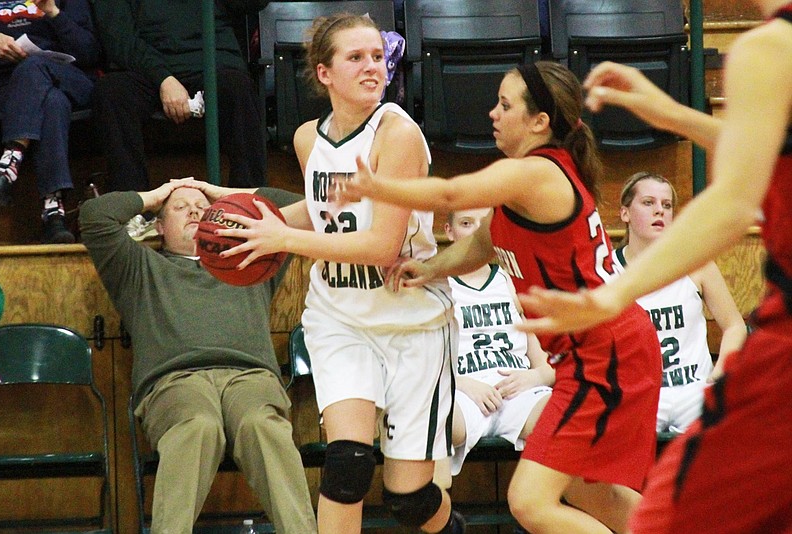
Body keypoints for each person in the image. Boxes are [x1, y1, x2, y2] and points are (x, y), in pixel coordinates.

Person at [329, 60, 663, 534]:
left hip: (608, 353)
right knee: (586, 488)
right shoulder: (528, 181)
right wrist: (428, 269)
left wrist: (376, 186)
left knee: (528, 501)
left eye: (505, 105)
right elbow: (483, 243)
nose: (493, 113)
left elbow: (450, 193)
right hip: (599, 353)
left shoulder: (536, 174)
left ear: (539, 122)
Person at [513, 1, 792, 531]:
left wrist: (610, 297)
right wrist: (671, 116)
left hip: (768, 356)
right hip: (666, 388)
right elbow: (767, 147)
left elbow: (732, 201)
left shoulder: (771, 47)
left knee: (666, 520)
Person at [213, 13, 464, 534]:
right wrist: (259, 224)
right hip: (340, 317)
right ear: (324, 73)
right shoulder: (309, 138)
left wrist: (283, 240)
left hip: (412, 323)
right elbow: (322, 208)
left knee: (409, 499)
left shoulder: (397, 134)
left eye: (377, 56)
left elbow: (380, 245)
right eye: (356, 58)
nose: (372, 67)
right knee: (347, 466)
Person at [78, 178, 317, 534]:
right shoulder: (137, 268)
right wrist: (156, 196)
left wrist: (228, 197)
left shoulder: (250, 257)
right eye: (180, 207)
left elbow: (308, 210)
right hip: (175, 381)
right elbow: (95, 216)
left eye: (202, 208)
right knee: (198, 426)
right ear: (159, 226)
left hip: (249, 377)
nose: (193, 210)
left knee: (263, 427)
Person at [91, 0, 268, 237]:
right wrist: (164, 78)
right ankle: (133, 213)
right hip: (146, 65)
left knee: (239, 90)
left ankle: (245, 212)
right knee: (111, 92)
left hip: (214, 61)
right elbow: (119, 38)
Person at [612, 171, 746, 433]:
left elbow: (734, 325)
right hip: (638, 393)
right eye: (648, 203)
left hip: (694, 388)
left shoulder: (696, 263)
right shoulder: (605, 270)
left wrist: (720, 373)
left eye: (667, 205)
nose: (659, 211)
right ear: (625, 213)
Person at [431, 208, 553, 491]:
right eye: (465, 223)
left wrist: (533, 378)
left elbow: (549, 366)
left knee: (570, 416)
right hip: (462, 392)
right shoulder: (437, 284)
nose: (475, 231)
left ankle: (541, 510)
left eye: (482, 224)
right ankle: (438, 513)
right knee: (428, 416)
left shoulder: (511, 281)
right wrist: (459, 383)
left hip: (518, 390)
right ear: (448, 232)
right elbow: (420, 367)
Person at [0, 0, 101, 243]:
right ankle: (53, 214)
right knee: (52, 102)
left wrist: (53, 12)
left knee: (35, 67)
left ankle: (12, 157)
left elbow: (89, 53)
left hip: (70, 77)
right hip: (7, 87)